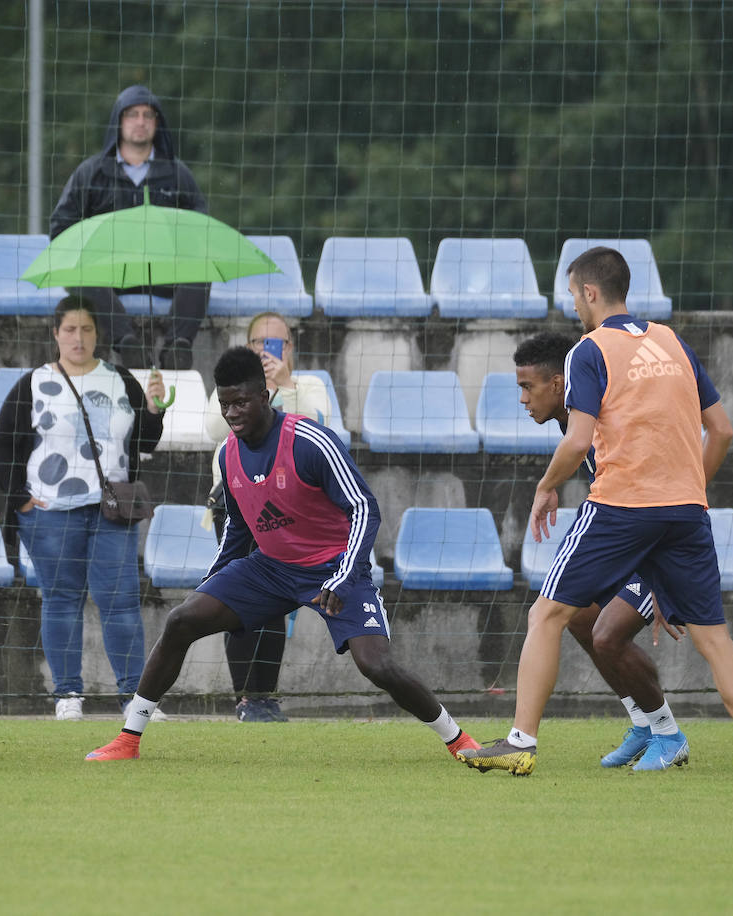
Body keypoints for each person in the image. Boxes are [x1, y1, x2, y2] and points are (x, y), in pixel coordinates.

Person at [457, 247, 733, 779]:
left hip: (623, 504)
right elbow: (721, 430)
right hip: (687, 511)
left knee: (546, 614)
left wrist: (545, 486)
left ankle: (520, 742)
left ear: (589, 293)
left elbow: (579, 439)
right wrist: (688, 487)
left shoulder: (588, 350)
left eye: (573, 296)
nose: (574, 308)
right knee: (714, 637)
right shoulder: (672, 341)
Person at [84, 346, 481, 762]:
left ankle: (458, 739)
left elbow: (365, 507)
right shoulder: (228, 454)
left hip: (336, 570)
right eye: (225, 404)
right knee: (182, 620)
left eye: (241, 402)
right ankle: (129, 738)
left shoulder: (310, 441)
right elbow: (238, 527)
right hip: (271, 569)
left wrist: (345, 575)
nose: (233, 413)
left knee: (376, 666)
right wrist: (213, 583)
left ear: (265, 397)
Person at [513, 330, 691, 770]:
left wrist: (666, 579)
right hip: (630, 541)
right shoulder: (576, 419)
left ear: (558, 384)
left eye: (527, 387)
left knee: (607, 635)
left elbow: (653, 491)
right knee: (576, 616)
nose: (522, 399)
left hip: (662, 541)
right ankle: (645, 725)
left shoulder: (598, 417)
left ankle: (670, 735)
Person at [0, 296, 167, 721]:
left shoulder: (120, 379)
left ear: (97, 335)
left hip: (111, 509)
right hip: (50, 512)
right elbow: (4, 444)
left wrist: (154, 410)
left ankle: (134, 698)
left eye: (87, 329)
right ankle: (67, 694)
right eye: (70, 329)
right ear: (55, 334)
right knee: (61, 598)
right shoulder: (32, 384)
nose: (78, 337)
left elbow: (143, 443)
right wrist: (20, 500)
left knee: (121, 601)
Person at [202, 312, 330, 722]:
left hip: (290, 510)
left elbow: (319, 429)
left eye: (276, 344)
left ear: (290, 349)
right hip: (238, 505)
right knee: (237, 596)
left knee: (274, 603)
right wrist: (253, 394)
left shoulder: (308, 385)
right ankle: (245, 697)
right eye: (259, 342)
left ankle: (265, 696)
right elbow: (212, 430)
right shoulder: (228, 384)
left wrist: (281, 388)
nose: (266, 351)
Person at [49, 84, 209, 371]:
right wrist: (96, 247)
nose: (140, 122)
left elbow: (200, 227)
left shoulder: (176, 173)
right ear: (118, 122)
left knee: (201, 269)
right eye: (132, 114)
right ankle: (128, 346)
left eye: (148, 115)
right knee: (78, 272)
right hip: (106, 271)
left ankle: (176, 347)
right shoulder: (91, 173)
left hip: (161, 270)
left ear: (157, 123)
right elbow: (62, 228)